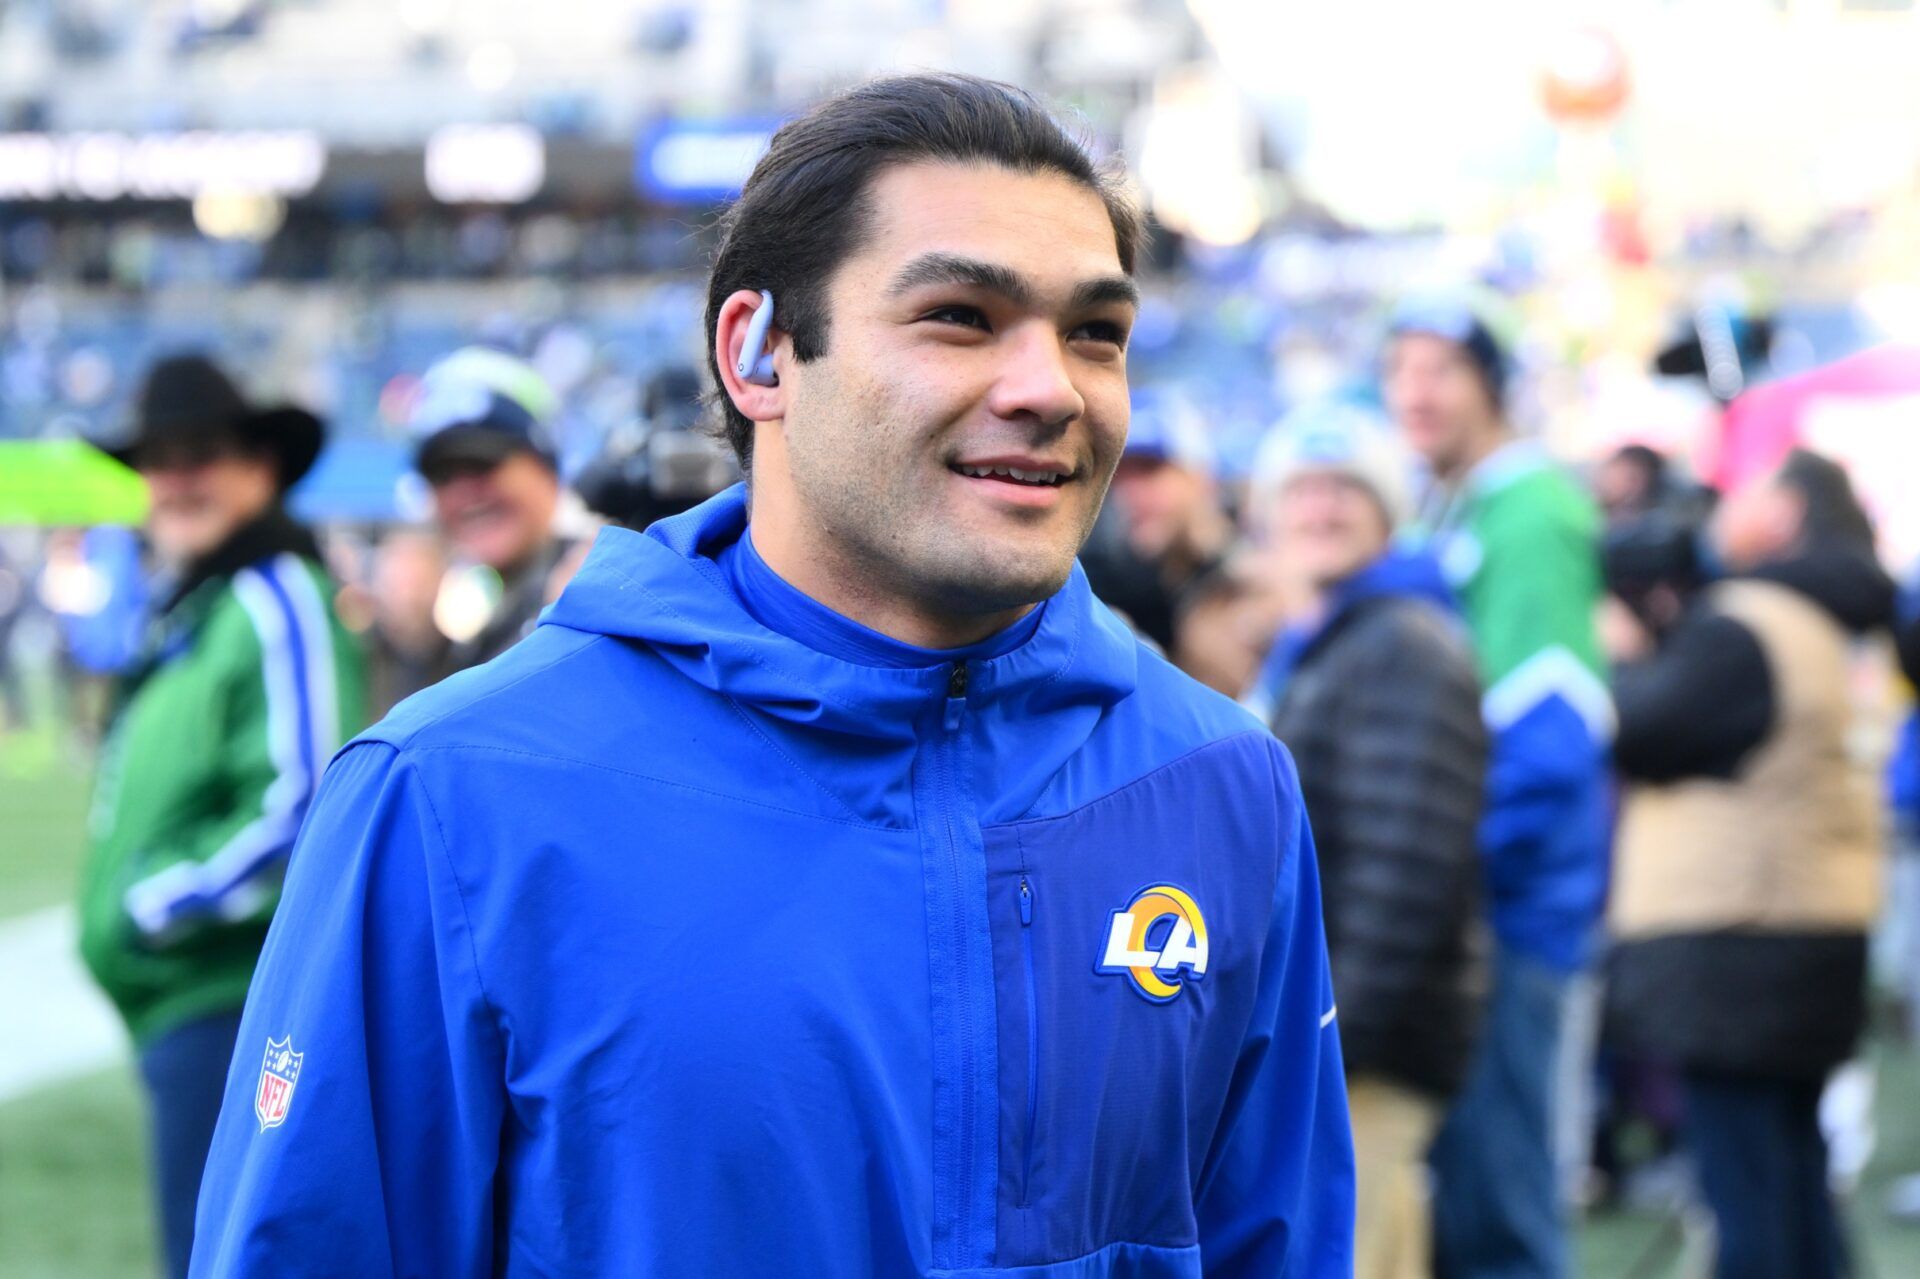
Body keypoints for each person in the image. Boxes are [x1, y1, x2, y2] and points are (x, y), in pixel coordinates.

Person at [190, 74, 1353, 1278]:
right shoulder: (449, 791)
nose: (1048, 387)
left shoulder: (1224, 782)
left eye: (1094, 333)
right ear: (757, 352)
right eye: (959, 315)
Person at [75, 354, 366, 1279]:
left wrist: (149, 906)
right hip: (186, 1006)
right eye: (160, 458)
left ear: (261, 465)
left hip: (230, 1000)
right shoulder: (200, 604)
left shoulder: (275, 594)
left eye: (204, 453)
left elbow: (302, 809)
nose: (178, 477)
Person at [1606, 450, 1895, 1279]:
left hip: (1737, 933)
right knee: (1795, 1177)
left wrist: (1630, 651)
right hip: (1813, 920)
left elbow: (1643, 730)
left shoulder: (1749, 617)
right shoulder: (1835, 619)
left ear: (1788, 513)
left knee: (1748, 1196)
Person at [1385, 293, 1611, 1279]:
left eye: (1441, 368)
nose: (1415, 391)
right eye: (1401, 368)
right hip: (1469, 912)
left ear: (1490, 384)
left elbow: (1554, 726)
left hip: (1503, 917)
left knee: (1499, 1205)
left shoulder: (1525, 505)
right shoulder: (1461, 502)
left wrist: (1443, 870)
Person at [1247, 413, 1488, 1279]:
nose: (1320, 506)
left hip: (1368, 1047)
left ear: (1388, 513)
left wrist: (1328, 1040)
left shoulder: (1401, 642)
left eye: (1345, 488)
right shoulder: (1328, 644)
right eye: (1301, 489)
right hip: (1342, 1032)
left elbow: (1403, 873)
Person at [406, 345, 587, 675]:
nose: (464, 492)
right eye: (443, 474)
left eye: (481, 464)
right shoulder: (448, 618)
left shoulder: (598, 585)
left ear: (546, 469)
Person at [1081, 386, 1230, 658]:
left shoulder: (1259, 596)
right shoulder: (1106, 591)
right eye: (1120, 476)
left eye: (1149, 470)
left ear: (1200, 478)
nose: (1131, 494)